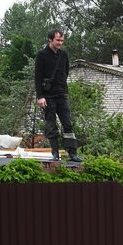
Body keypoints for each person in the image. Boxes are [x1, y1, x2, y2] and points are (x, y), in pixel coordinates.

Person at [34, 29, 82, 162]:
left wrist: (62, 88)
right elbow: (37, 77)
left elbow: (65, 72)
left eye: (62, 40)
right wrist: (40, 96)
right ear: (50, 39)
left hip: (62, 94)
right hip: (48, 96)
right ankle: (55, 153)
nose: (60, 42)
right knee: (51, 124)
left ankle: (72, 153)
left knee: (68, 124)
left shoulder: (64, 54)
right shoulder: (42, 55)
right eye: (58, 40)